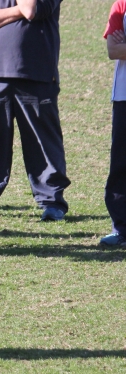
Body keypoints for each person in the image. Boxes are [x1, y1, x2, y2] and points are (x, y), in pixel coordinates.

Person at [0, 0, 70, 221]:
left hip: (37, 75)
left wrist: (5, 14)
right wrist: (17, 11)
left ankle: (52, 203)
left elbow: (33, 10)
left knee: (42, 143)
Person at [101, 0, 126, 247]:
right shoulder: (121, 5)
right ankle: (121, 229)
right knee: (121, 165)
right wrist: (121, 46)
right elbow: (113, 50)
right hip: (124, 96)